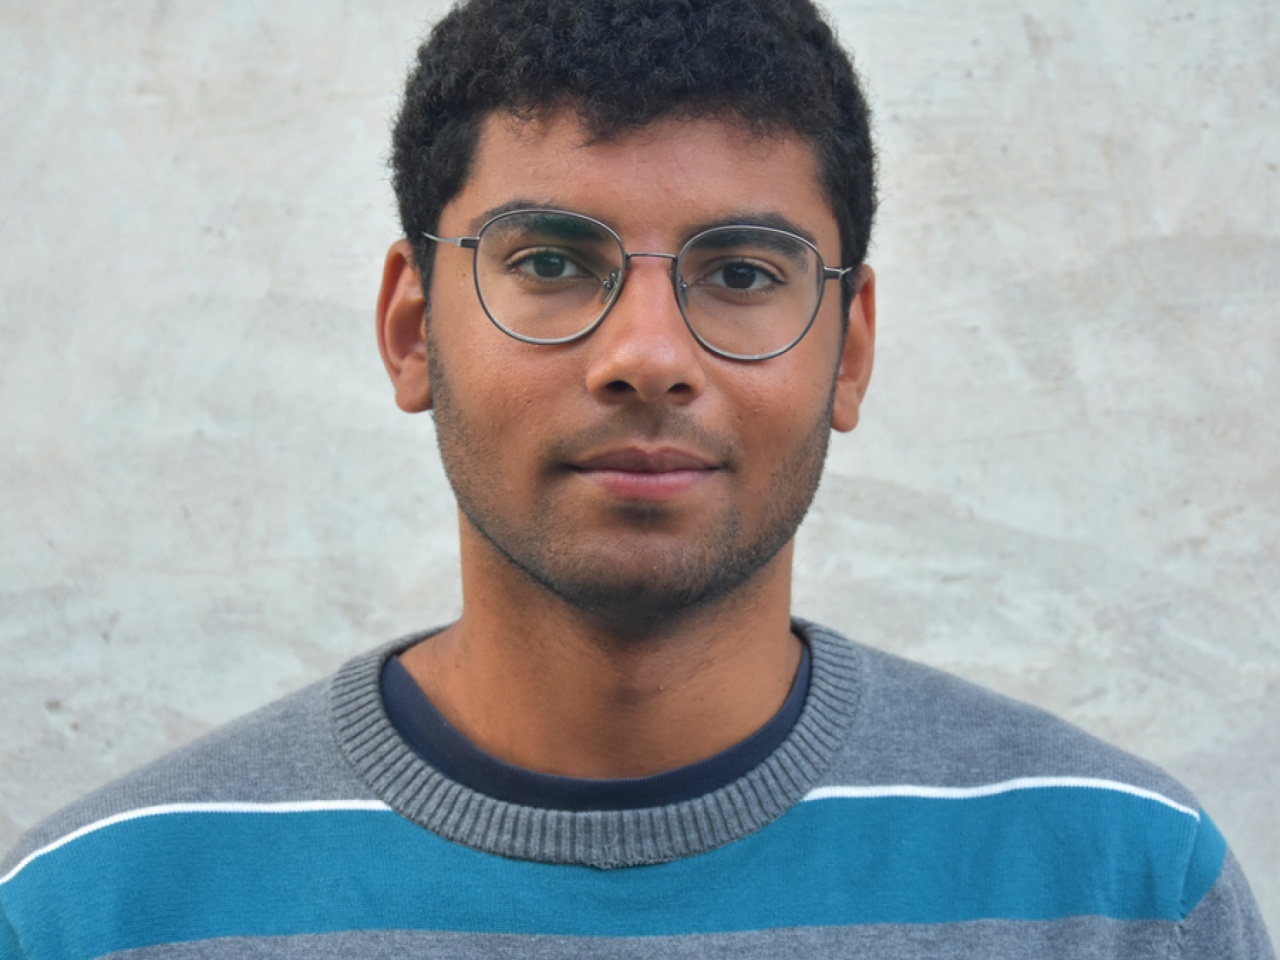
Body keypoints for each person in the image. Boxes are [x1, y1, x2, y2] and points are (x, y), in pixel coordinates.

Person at [0, 0, 1272, 956]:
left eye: (741, 272)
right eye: (551, 263)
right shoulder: (98, 914)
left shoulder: (1121, 894)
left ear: (849, 349)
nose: (649, 357)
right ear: (411, 329)